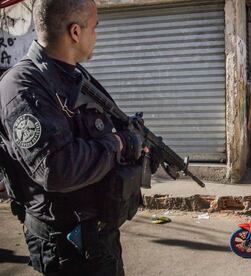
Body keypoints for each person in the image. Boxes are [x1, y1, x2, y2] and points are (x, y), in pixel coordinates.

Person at [0, 1, 158, 275]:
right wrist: (118, 144)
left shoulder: (73, 75)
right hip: (66, 247)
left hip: (98, 236)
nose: (97, 35)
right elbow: (56, 168)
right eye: (95, 28)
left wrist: (136, 144)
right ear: (75, 32)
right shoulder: (23, 86)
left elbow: (98, 132)